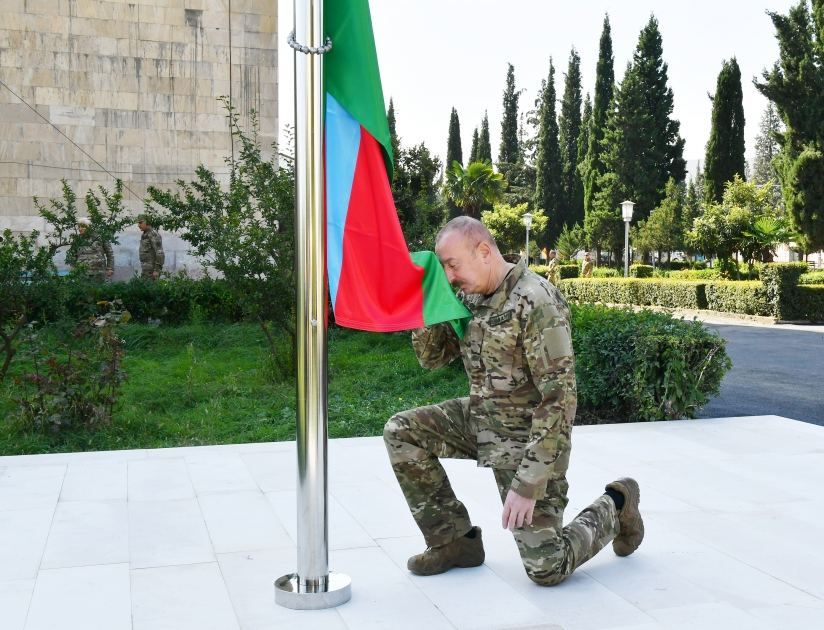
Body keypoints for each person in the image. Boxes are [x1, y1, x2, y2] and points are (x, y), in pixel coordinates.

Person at [384, 216, 643, 585]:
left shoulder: (536, 300)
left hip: (529, 440)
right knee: (401, 430)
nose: (450, 275)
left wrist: (527, 484)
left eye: (452, 265)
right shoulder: (467, 295)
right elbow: (432, 359)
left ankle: (618, 505)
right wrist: (426, 304)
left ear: (484, 251)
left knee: (546, 567)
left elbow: (560, 398)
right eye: (443, 267)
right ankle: (454, 541)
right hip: (481, 418)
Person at [137, 215, 165, 280]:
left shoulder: (153, 234)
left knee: (151, 289)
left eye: (140, 223)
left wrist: (157, 270)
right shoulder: (144, 235)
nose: (138, 225)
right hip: (146, 270)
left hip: (152, 272)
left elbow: (160, 253)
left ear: (147, 223)